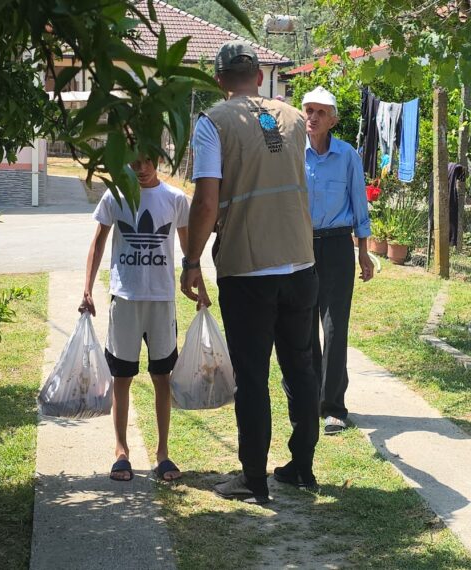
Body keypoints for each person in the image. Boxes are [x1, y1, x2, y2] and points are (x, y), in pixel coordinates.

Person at [181, 41, 320, 504]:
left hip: (248, 266)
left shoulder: (212, 123)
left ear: (219, 80)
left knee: (253, 377)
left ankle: (254, 478)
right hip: (301, 261)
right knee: (300, 367)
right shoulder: (297, 119)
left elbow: (205, 202)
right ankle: (302, 467)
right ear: (259, 76)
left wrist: (191, 259)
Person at [80, 158, 189, 483]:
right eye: (134, 161)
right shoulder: (115, 196)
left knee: (162, 376)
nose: (141, 167)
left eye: (147, 161)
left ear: (158, 159)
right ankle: (121, 451)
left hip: (161, 300)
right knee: (122, 377)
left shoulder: (175, 199)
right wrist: (86, 288)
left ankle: (163, 453)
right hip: (124, 299)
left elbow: (188, 249)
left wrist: (193, 280)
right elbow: (98, 242)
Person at [301, 87, 374, 435]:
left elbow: (359, 204)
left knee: (334, 326)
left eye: (319, 112)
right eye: (308, 110)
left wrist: (364, 251)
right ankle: (312, 396)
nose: (312, 117)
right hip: (300, 247)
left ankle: (333, 406)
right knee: (303, 326)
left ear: (332, 119)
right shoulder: (292, 155)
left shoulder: (347, 156)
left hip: (336, 247)